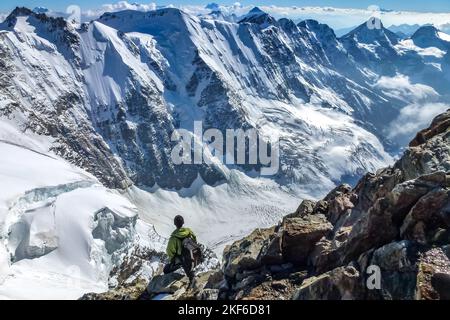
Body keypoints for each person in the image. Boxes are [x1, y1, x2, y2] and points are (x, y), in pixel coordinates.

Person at [163, 215, 197, 281]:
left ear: (175, 224)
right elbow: (195, 240)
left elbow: (170, 251)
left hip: (182, 259)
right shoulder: (189, 231)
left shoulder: (174, 237)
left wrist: (173, 260)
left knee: (166, 269)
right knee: (186, 260)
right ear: (183, 222)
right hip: (193, 254)